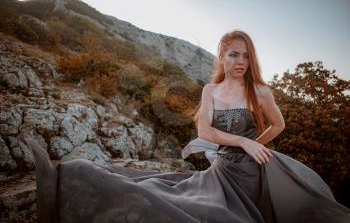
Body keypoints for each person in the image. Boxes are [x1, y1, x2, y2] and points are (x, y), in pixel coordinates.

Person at [20, 30, 349, 223]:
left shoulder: (260, 90)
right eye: (234, 55)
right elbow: (205, 132)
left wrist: (257, 144)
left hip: (259, 172)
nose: (240, 62)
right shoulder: (211, 91)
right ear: (221, 56)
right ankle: (68, 175)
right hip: (224, 172)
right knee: (165, 193)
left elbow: (279, 124)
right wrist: (242, 143)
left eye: (246, 56)